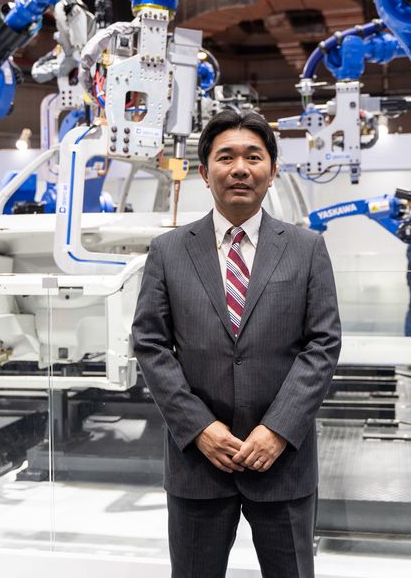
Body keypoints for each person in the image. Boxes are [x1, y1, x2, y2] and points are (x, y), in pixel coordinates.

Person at [131, 109, 342, 578]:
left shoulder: (307, 248)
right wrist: (199, 428)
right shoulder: (168, 251)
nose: (240, 168)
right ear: (205, 173)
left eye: (254, 156)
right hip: (198, 463)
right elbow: (150, 343)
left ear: (273, 169)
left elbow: (323, 344)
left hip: (283, 463)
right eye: (226, 157)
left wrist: (278, 430)